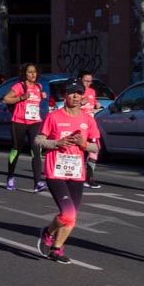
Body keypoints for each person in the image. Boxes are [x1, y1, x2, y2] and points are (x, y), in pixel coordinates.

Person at [35, 80, 100, 264]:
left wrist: (84, 144)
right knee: (68, 214)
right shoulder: (54, 117)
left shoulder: (88, 120)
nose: (76, 96)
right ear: (65, 95)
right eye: (72, 93)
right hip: (55, 171)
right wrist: (57, 143)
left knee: (71, 217)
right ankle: (47, 233)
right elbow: (38, 140)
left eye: (79, 93)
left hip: (76, 173)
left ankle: (56, 249)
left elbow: (95, 148)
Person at [3, 63, 46, 192]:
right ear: (24, 74)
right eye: (29, 72)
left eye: (34, 72)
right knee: (16, 149)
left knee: (36, 150)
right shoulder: (19, 86)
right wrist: (21, 97)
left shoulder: (39, 86)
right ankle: (10, 177)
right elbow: (6, 99)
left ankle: (37, 182)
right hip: (19, 122)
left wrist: (42, 95)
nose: (33, 74)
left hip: (35, 122)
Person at [77, 70, 102, 188]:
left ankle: (90, 177)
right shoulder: (76, 91)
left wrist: (97, 104)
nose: (88, 83)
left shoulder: (92, 91)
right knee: (79, 149)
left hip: (91, 124)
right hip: (79, 124)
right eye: (86, 81)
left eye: (90, 81)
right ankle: (78, 175)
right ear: (80, 80)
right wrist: (80, 103)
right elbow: (68, 106)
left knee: (94, 149)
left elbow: (93, 104)